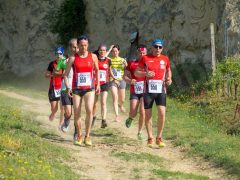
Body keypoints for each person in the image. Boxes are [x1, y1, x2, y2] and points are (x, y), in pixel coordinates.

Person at [135, 39, 172, 148]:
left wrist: (169, 78)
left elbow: (169, 70)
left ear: (162, 48)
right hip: (148, 90)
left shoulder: (165, 59)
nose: (158, 49)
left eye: (160, 47)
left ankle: (159, 138)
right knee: (148, 114)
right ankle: (150, 138)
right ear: (152, 47)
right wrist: (145, 73)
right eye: (156, 47)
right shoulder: (145, 58)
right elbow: (137, 72)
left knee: (162, 113)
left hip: (161, 90)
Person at [64, 35, 100, 146]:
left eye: (85, 45)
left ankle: (87, 136)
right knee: (77, 112)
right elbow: (65, 75)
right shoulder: (73, 58)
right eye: (81, 45)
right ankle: (79, 135)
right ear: (78, 45)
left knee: (89, 110)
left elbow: (97, 70)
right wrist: (68, 87)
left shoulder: (93, 57)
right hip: (76, 89)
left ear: (88, 45)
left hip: (89, 88)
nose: (83, 47)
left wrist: (98, 84)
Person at [124, 45, 147, 140]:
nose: (141, 55)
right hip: (135, 91)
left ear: (146, 53)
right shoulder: (132, 63)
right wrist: (129, 81)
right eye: (140, 53)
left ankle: (140, 132)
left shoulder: (148, 63)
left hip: (145, 91)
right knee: (133, 111)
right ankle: (130, 118)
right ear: (137, 53)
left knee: (142, 111)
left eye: (143, 53)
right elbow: (124, 76)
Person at [55, 39, 78, 132]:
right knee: (68, 112)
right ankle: (66, 122)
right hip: (66, 88)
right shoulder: (65, 61)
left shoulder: (83, 60)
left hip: (78, 89)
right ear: (70, 48)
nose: (76, 49)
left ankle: (77, 133)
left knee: (77, 113)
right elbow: (60, 73)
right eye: (74, 47)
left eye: (77, 47)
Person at [92, 44, 111, 128]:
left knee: (103, 102)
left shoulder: (108, 61)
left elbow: (109, 71)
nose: (102, 52)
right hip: (95, 83)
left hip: (105, 83)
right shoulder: (94, 60)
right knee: (94, 103)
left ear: (106, 51)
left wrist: (115, 79)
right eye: (101, 50)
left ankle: (103, 120)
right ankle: (93, 116)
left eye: (104, 50)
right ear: (98, 51)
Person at [109, 44, 128, 122]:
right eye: (113, 51)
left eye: (116, 51)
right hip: (112, 80)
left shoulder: (122, 60)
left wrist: (125, 65)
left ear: (118, 51)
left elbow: (127, 68)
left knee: (122, 99)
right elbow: (109, 70)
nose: (114, 52)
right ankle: (117, 115)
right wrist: (114, 79)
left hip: (121, 80)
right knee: (115, 96)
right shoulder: (109, 60)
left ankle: (121, 105)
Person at [45, 47, 64, 121]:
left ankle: (61, 123)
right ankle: (53, 113)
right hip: (53, 88)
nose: (58, 55)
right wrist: (52, 75)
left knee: (62, 107)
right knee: (54, 107)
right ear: (55, 54)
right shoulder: (52, 64)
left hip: (62, 88)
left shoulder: (64, 64)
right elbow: (46, 75)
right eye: (57, 54)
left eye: (60, 54)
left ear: (62, 54)